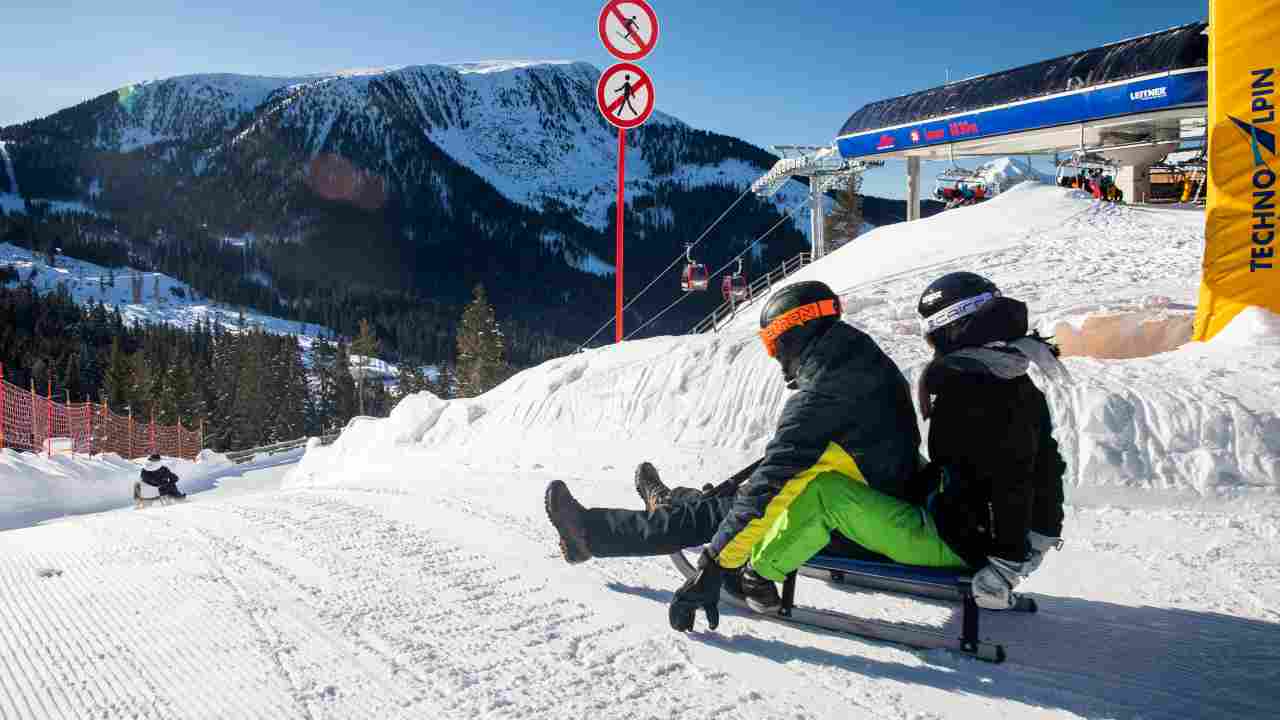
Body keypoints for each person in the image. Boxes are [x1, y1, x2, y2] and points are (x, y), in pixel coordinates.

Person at [639, 272, 1067, 626]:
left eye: (932, 332)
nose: (930, 342)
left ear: (954, 328)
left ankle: (758, 578)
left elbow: (1011, 477)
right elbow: (1044, 462)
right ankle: (689, 515)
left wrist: (1006, 564)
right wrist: (1042, 535)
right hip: (975, 526)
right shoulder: (1010, 375)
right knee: (809, 486)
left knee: (824, 492)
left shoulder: (973, 388)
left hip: (963, 540)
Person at [545, 280, 925, 623]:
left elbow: (773, 486)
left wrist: (714, 564)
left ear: (793, 334)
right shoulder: (866, 365)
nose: (775, 357)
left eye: (772, 345)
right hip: (881, 497)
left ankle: (589, 534)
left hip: (848, 523)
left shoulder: (821, 396)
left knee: (718, 513)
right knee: (731, 498)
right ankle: (672, 500)